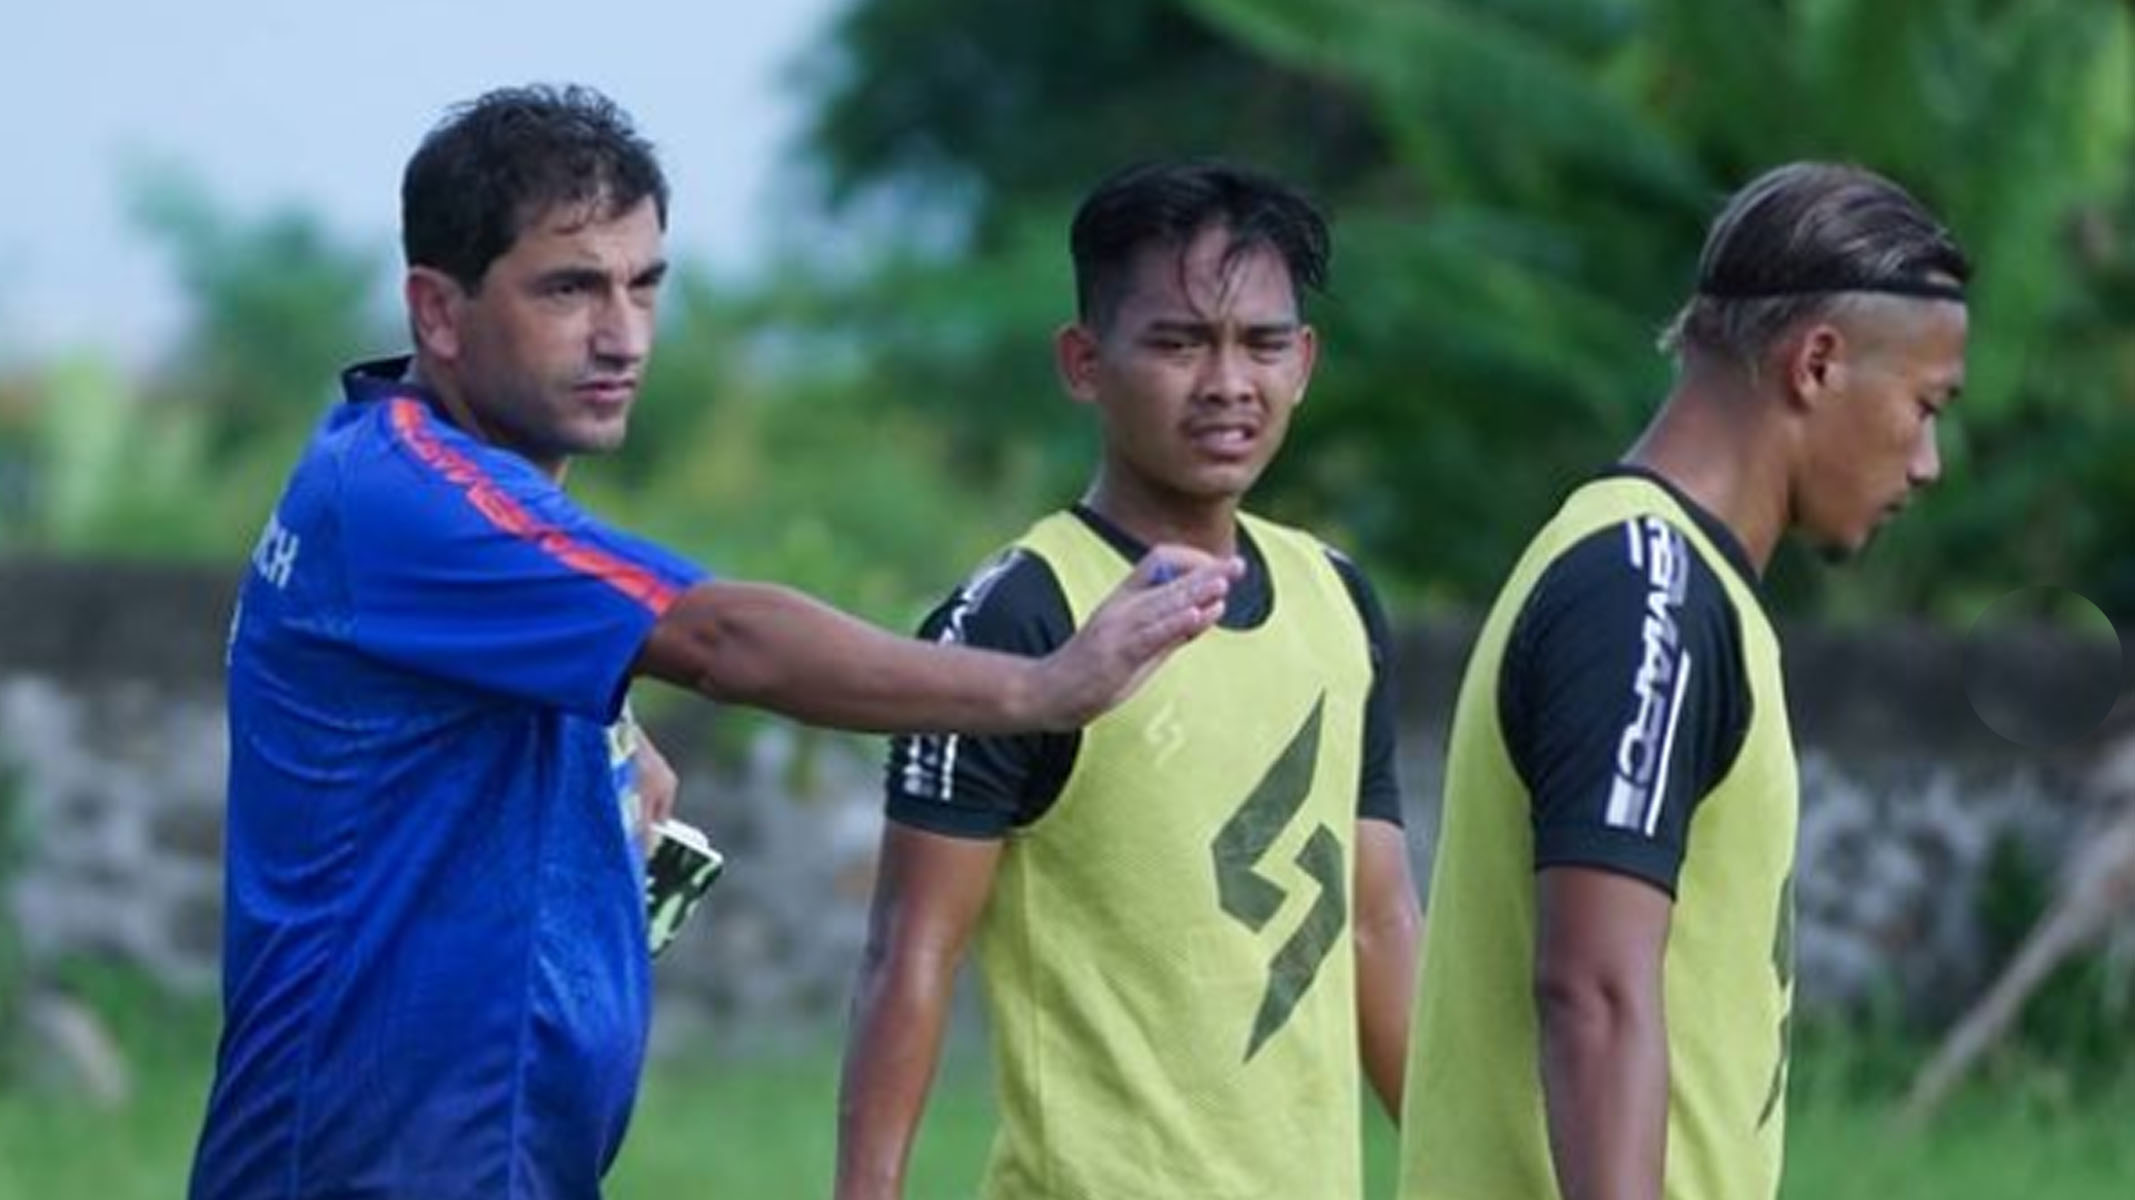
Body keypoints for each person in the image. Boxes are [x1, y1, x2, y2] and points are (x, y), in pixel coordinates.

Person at [188, 85, 1238, 1200]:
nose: (623, 336)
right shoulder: (413, 494)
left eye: (644, 285)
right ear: (437, 312)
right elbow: (724, 639)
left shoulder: (424, 494)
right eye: (569, 288)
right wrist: (1043, 687)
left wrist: (607, 741)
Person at [834, 160, 1423, 1200]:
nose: (1227, 383)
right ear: (1083, 362)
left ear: (1304, 363)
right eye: (1178, 343)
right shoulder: (1019, 617)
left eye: (1261, 344)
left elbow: (1378, 927)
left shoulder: (1336, 599)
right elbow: (908, 951)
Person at [1397, 162, 1970, 1200]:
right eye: (1923, 405)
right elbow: (1593, 995)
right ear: (1816, 364)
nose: (1927, 461)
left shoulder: (1670, 583)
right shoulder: (1642, 589)